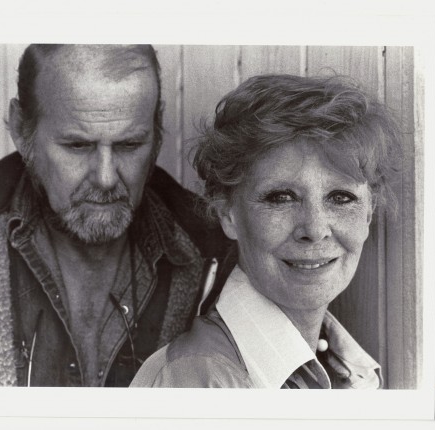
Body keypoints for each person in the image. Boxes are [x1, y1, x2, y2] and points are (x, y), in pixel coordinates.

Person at [0, 44, 234, 387]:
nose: (106, 178)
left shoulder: (213, 253)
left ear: (156, 134)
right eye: (78, 146)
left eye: (129, 145)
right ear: (22, 130)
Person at [131, 74, 401, 388]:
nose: (315, 229)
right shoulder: (198, 378)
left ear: (369, 211)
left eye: (341, 198)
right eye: (281, 198)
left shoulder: (344, 367)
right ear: (227, 214)